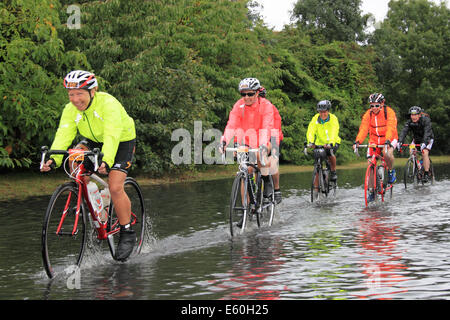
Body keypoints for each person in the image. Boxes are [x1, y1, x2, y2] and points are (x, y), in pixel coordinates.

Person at [40, 70, 137, 262]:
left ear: (93, 92)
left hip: (120, 139)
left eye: (79, 94)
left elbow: (111, 134)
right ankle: (96, 204)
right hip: (93, 140)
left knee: (116, 186)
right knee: (74, 162)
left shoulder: (108, 104)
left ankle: (127, 232)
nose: (75, 99)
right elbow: (64, 134)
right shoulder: (70, 109)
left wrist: (106, 160)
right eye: (71, 94)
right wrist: (53, 159)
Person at [220, 77, 282, 203]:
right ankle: (245, 210)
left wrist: (263, 144)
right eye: (243, 94)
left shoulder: (266, 106)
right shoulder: (239, 105)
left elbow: (267, 126)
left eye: (250, 94)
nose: (246, 97)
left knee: (262, 155)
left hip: (267, 137)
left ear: (257, 93)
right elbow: (232, 125)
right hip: (248, 140)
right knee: (246, 171)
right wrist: (225, 141)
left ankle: (268, 182)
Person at [353, 93, 398, 201]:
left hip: (390, 138)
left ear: (382, 103)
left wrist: (387, 140)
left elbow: (391, 127)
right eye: (372, 105)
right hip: (374, 140)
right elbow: (363, 129)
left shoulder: (389, 112)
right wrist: (357, 141)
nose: (374, 108)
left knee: (386, 153)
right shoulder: (368, 114)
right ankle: (372, 191)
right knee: (370, 163)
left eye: (377, 105)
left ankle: (391, 171)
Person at [306, 100, 341, 183]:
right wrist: (310, 142)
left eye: (324, 112)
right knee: (317, 163)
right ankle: (316, 188)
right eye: (320, 112)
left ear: (328, 111)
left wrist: (331, 143)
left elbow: (334, 131)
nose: (322, 114)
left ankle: (333, 171)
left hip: (333, 142)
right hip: (319, 143)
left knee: (330, 153)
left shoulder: (333, 118)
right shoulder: (315, 118)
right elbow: (311, 130)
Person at [398, 106, 434, 182]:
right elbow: (404, 132)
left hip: (428, 139)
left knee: (424, 152)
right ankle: (418, 167)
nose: (413, 117)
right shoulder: (409, 122)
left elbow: (427, 132)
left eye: (415, 115)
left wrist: (424, 143)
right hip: (416, 140)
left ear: (419, 115)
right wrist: (400, 141)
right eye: (412, 115)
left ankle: (427, 173)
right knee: (411, 150)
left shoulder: (425, 120)